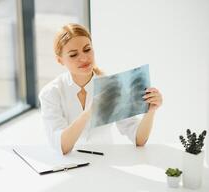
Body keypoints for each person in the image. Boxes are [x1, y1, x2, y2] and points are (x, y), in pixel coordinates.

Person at [39, 23, 163, 155]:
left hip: (105, 162)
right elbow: (62, 146)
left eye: (87, 50)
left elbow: (138, 139)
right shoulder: (50, 93)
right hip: (70, 165)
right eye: (73, 55)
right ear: (60, 60)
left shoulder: (112, 86)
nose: (84, 58)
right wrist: (90, 112)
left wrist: (150, 112)